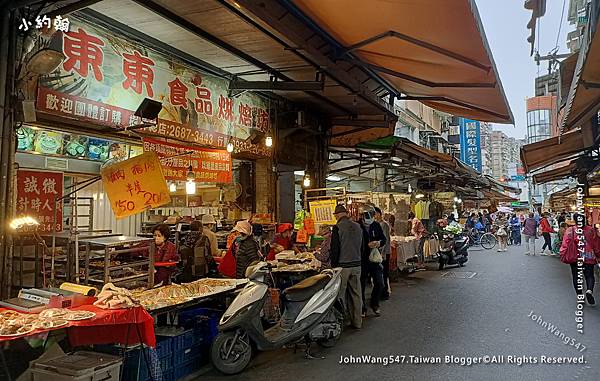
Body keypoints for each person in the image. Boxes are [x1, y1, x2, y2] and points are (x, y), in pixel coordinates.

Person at [330, 204, 363, 329]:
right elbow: (363, 247)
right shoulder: (358, 227)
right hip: (357, 264)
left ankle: (342, 322)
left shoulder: (337, 228)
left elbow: (335, 250)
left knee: (340, 294)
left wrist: (334, 267)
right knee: (356, 293)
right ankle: (357, 321)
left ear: (337, 215)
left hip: (343, 266)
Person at [560, 217, 600, 305]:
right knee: (589, 275)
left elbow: (565, 243)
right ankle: (589, 290)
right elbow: (596, 244)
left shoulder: (570, 231)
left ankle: (580, 296)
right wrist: (598, 254)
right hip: (588, 256)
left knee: (576, 276)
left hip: (575, 257)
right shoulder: (591, 230)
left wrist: (563, 254)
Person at [359, 207, 386, 317]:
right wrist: (365, 246)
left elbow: (383, 239)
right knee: (361, 285)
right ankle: (362, 307)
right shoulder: (357, 226)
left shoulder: (376, 225)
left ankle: (374, 303)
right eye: (367, 214)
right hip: (362, 260)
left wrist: (378, 243)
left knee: (380, 283)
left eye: (371, 214)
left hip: (374, 259)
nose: (369, 217)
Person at [374, 207, 391, 300]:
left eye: (376, 214)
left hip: (384, 253)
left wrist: (382, 253)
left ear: (380, 214)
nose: (374, 216)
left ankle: (385, 292)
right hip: (379, 252)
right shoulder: (377, 224)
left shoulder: (383, 224)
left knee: (384, 273)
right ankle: (382, 291)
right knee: (380, 273)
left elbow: (384, 240)